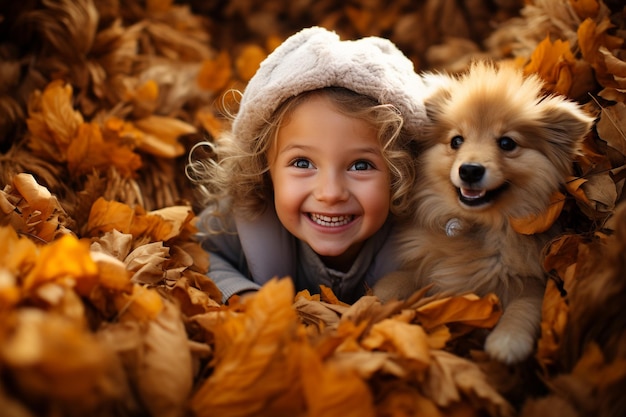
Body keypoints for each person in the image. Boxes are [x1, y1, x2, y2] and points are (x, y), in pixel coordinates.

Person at [186, 26, 427, 304]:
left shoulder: (421, 240)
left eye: (360, 166)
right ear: (264, 168)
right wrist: (242, 294)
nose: (330, 193)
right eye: (302, 162)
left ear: (402, 176)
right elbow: (197, 252)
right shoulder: (240, 218)